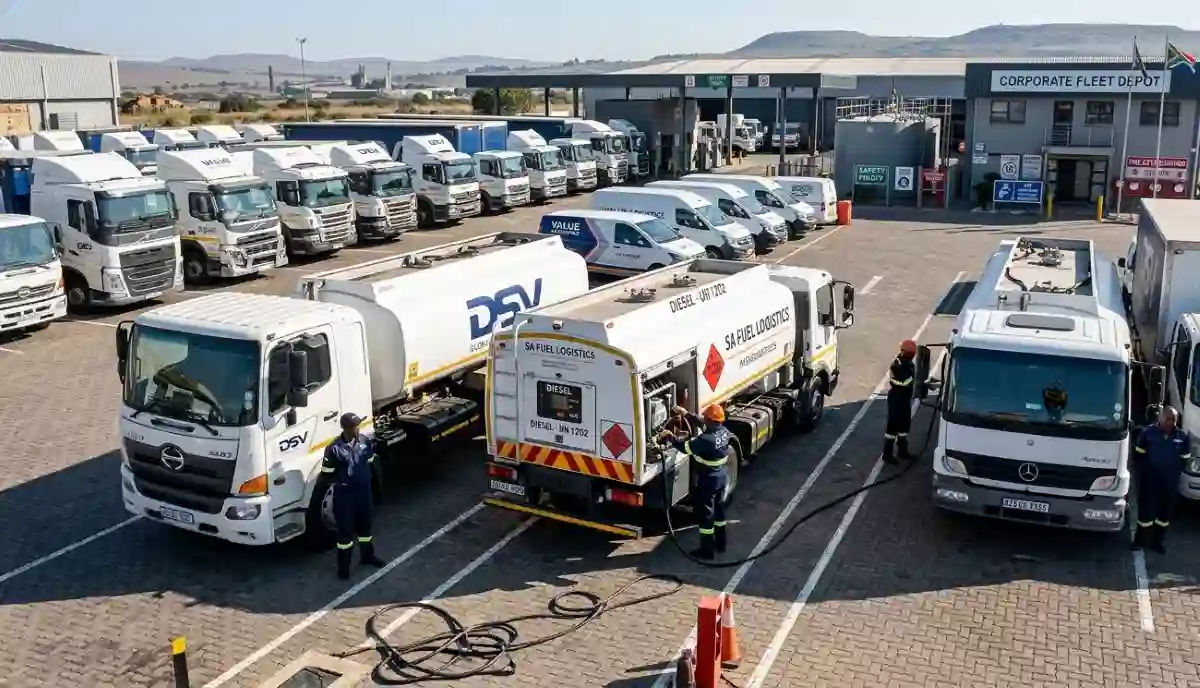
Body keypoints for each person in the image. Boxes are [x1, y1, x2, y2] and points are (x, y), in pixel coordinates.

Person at [660, 403, 733, 560]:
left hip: (708, 480)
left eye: (705, 417)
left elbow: (685, 447)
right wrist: (686, 413)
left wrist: (670, 437)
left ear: (710, 420)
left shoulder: (705, 440)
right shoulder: (724, 432)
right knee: (719, 510)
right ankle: (721, 544)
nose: (703, 418)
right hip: (721, 476)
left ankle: (707, 552)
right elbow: (701, 422)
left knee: (706, 516)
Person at [322, 412, 386, 579]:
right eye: (355, 426)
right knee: (345, 534)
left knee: (365, 528)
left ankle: (367, 557)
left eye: (358, 426)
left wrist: (377, 492)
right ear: (346, 428)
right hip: (346, 496)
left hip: (363, 492)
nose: (358, 429)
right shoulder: (334, 448)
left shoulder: (365, 441)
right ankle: (343, 568)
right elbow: (326, 475)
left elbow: (371, 465)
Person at [1132, 406, 1191, 554]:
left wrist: (1174, 473)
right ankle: (1140, 541)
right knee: (1145, 515)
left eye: (1174, 419)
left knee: (1164, 516)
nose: (1171, 422)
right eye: (1168, 419)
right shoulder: (1147, 433)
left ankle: (1157, 542)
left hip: (1169, 484)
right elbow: (1139, 456)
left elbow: (1185, 458)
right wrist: (1144, 475)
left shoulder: (1182, 437)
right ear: (1160, 418)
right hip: (1149, 482)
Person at [882, 339, 918, 464]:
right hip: (896, 399)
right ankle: (887, 454)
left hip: (905, 399)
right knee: (892, 428)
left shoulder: (908, 363)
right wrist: (915, 380)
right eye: (911, 353)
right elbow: (903, 382)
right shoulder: (897, 365)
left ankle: (903, 452)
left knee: (904, 426)